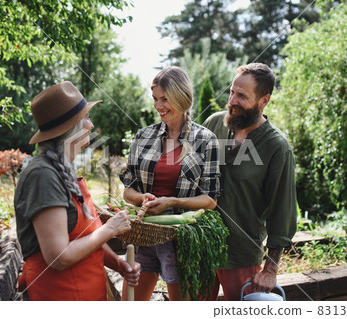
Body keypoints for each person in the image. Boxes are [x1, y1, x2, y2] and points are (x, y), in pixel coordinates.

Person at [14, 81, 140, 301]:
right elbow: (59, 257)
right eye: (85, 119)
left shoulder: (62, 171)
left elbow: (87, 239)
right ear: (69, 129)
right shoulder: (42, 175)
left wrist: (118, 264)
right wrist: (109, 230)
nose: (90, 126)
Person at [120, 66, 221, 300]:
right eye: (155, 99)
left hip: (181, 239)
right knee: (129, 305)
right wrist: (141, 198)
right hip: (144, 234)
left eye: (164, 99)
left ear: (181, 96)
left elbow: (210, 200)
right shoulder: (143, 137)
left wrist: (172, 202)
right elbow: (128, 190)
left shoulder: (206, 140)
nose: (158, 106)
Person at [203, 63, 297, 300]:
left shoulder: (276, 147)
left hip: (241, 256)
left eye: (242, 96)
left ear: (264, 101)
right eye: (232, 92)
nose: (232, 101)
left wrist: (271, 269)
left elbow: (282, 211)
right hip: (200, 247)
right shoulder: (214, 125)